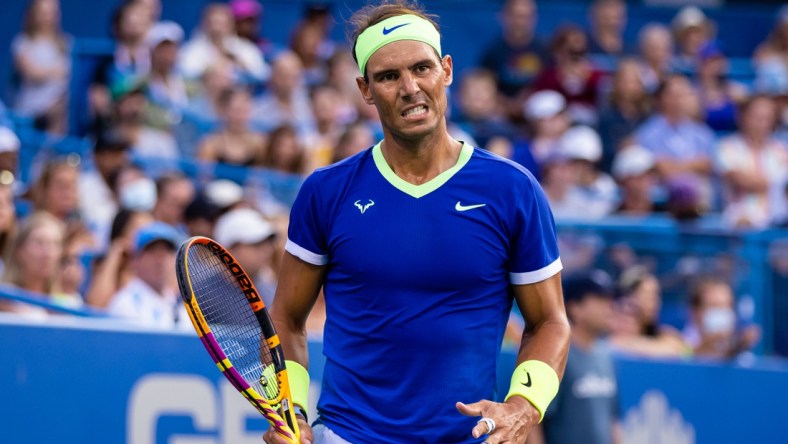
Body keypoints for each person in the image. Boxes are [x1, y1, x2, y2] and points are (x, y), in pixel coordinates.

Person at [264, 2, 570, 443]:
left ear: (446, 70)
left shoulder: (513, 190)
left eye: (422, 68)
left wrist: (523, 406)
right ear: (365, 89)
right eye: (388, 76)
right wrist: (288, 409)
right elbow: (286, 320)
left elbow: (549, 322)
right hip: (349, 434)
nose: (410, 87)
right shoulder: (325, 191)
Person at [528, 270, 621, 444]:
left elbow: (612, 419)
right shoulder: (554, 354)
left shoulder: (606, 356)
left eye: (611, 300)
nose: (610, 307)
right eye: (601, 299)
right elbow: (534, 421)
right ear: (575, 307)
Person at [107, 221, 187, 329]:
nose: (160, 260)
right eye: (153, 251)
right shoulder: (125, 304)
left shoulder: (180, 303)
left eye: (167, 251)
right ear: (135, 261)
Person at [682, 276, 760, 360]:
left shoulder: (743, 355)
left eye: (727, 305)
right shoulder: (678, 346)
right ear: (695, 312)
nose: (723, 311)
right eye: (715, 306)